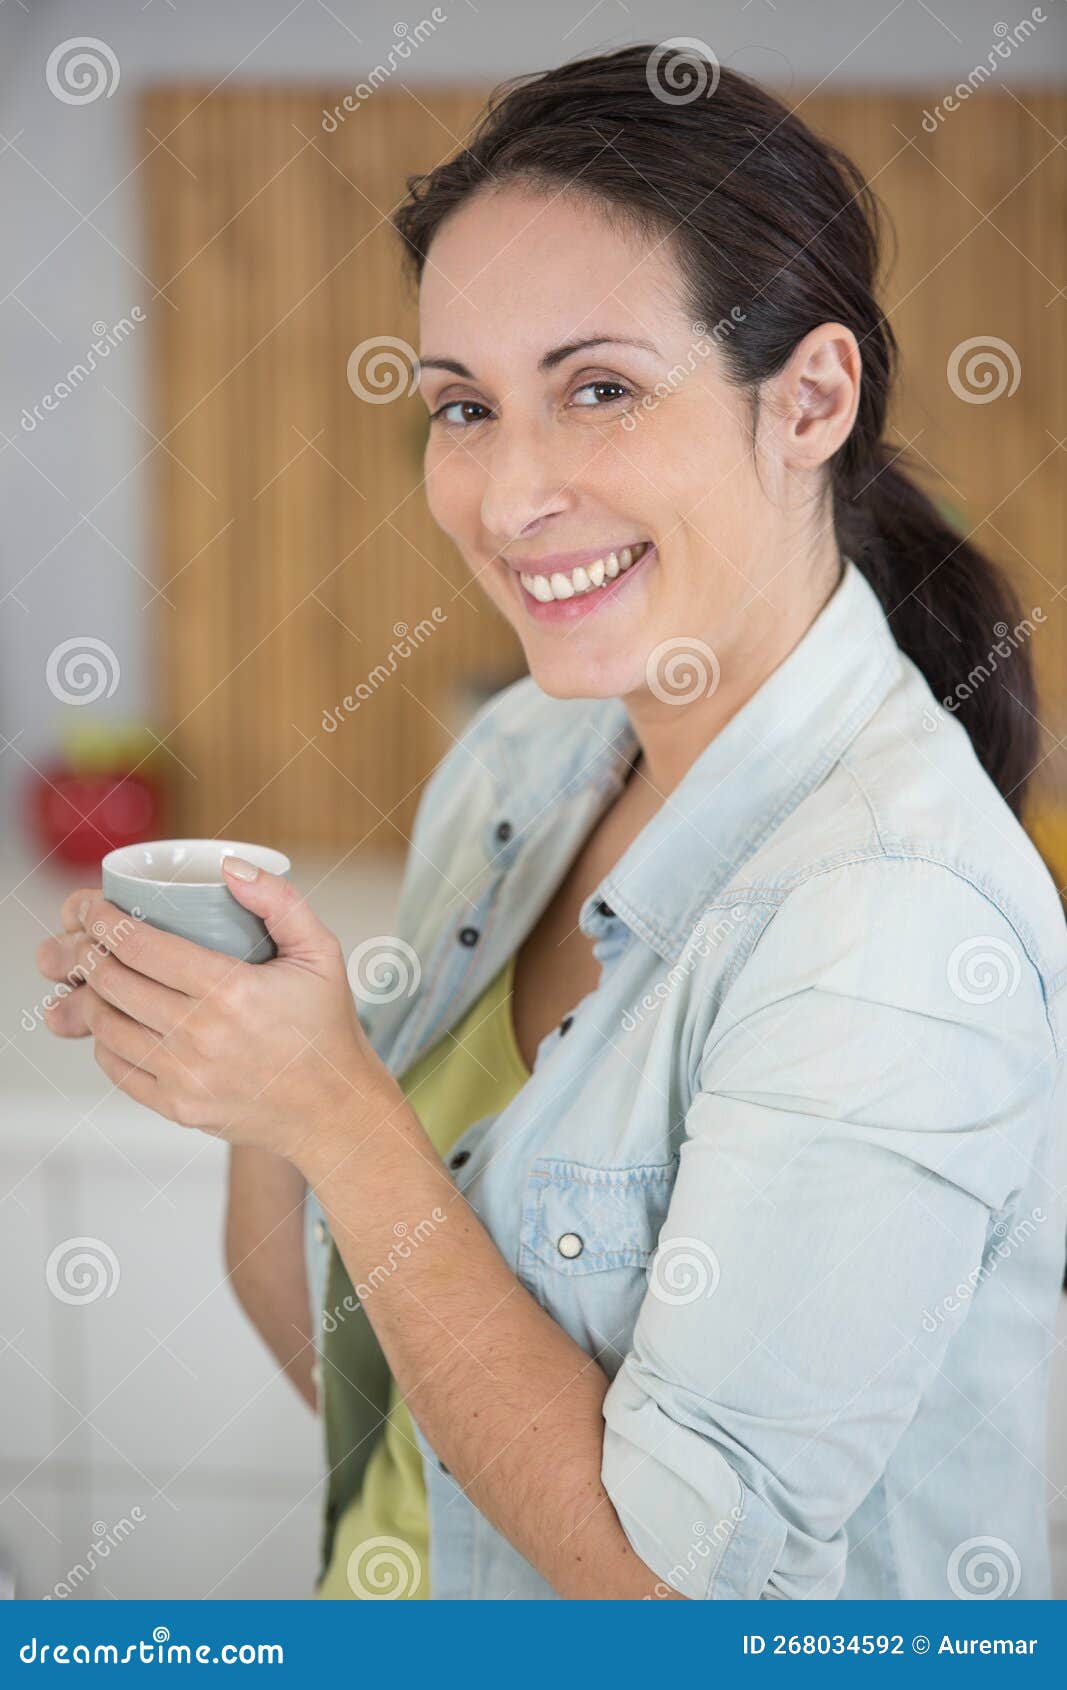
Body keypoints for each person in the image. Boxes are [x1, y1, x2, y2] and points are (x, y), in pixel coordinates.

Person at [37, 46, 1066, 1601]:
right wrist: (246, 1058)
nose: (509, 495)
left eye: (599, 388)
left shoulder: (888, 917)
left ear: (810, 399)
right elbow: (393, 1404)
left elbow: (675, 1592)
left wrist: (333, 1107)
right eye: (464, 406)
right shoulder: (527, 756)